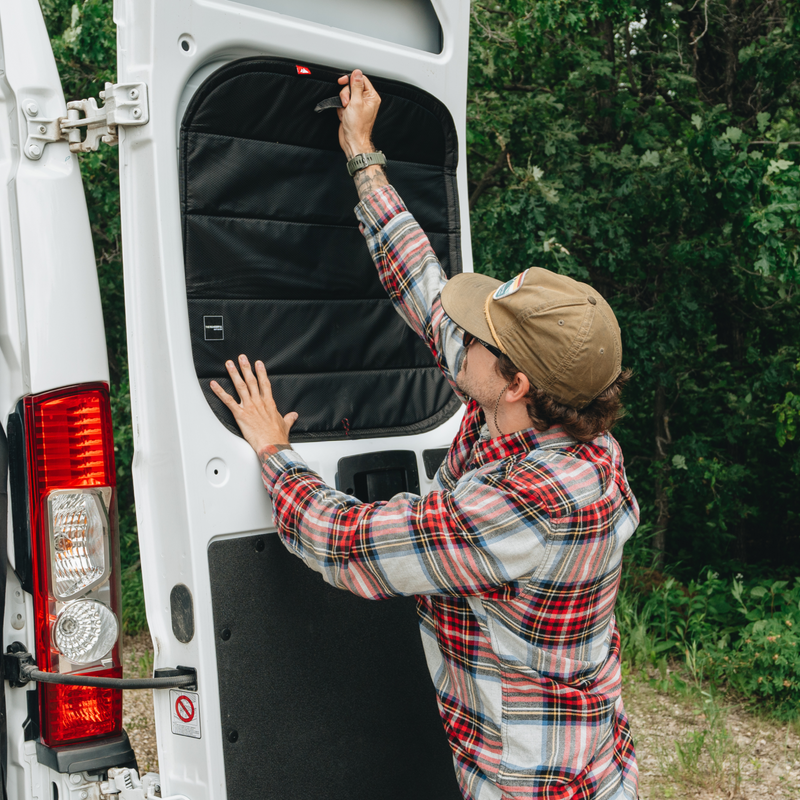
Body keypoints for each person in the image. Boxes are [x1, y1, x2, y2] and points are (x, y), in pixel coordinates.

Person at [210, 69, 639, 800]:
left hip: (537, 786)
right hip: (570, 756)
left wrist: (274, 453)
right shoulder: (544, 419)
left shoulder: (534, 505)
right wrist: (362, 156)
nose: (459, 333)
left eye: (480, 337)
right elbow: (429, 295)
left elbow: (349, 545)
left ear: (517, 383)